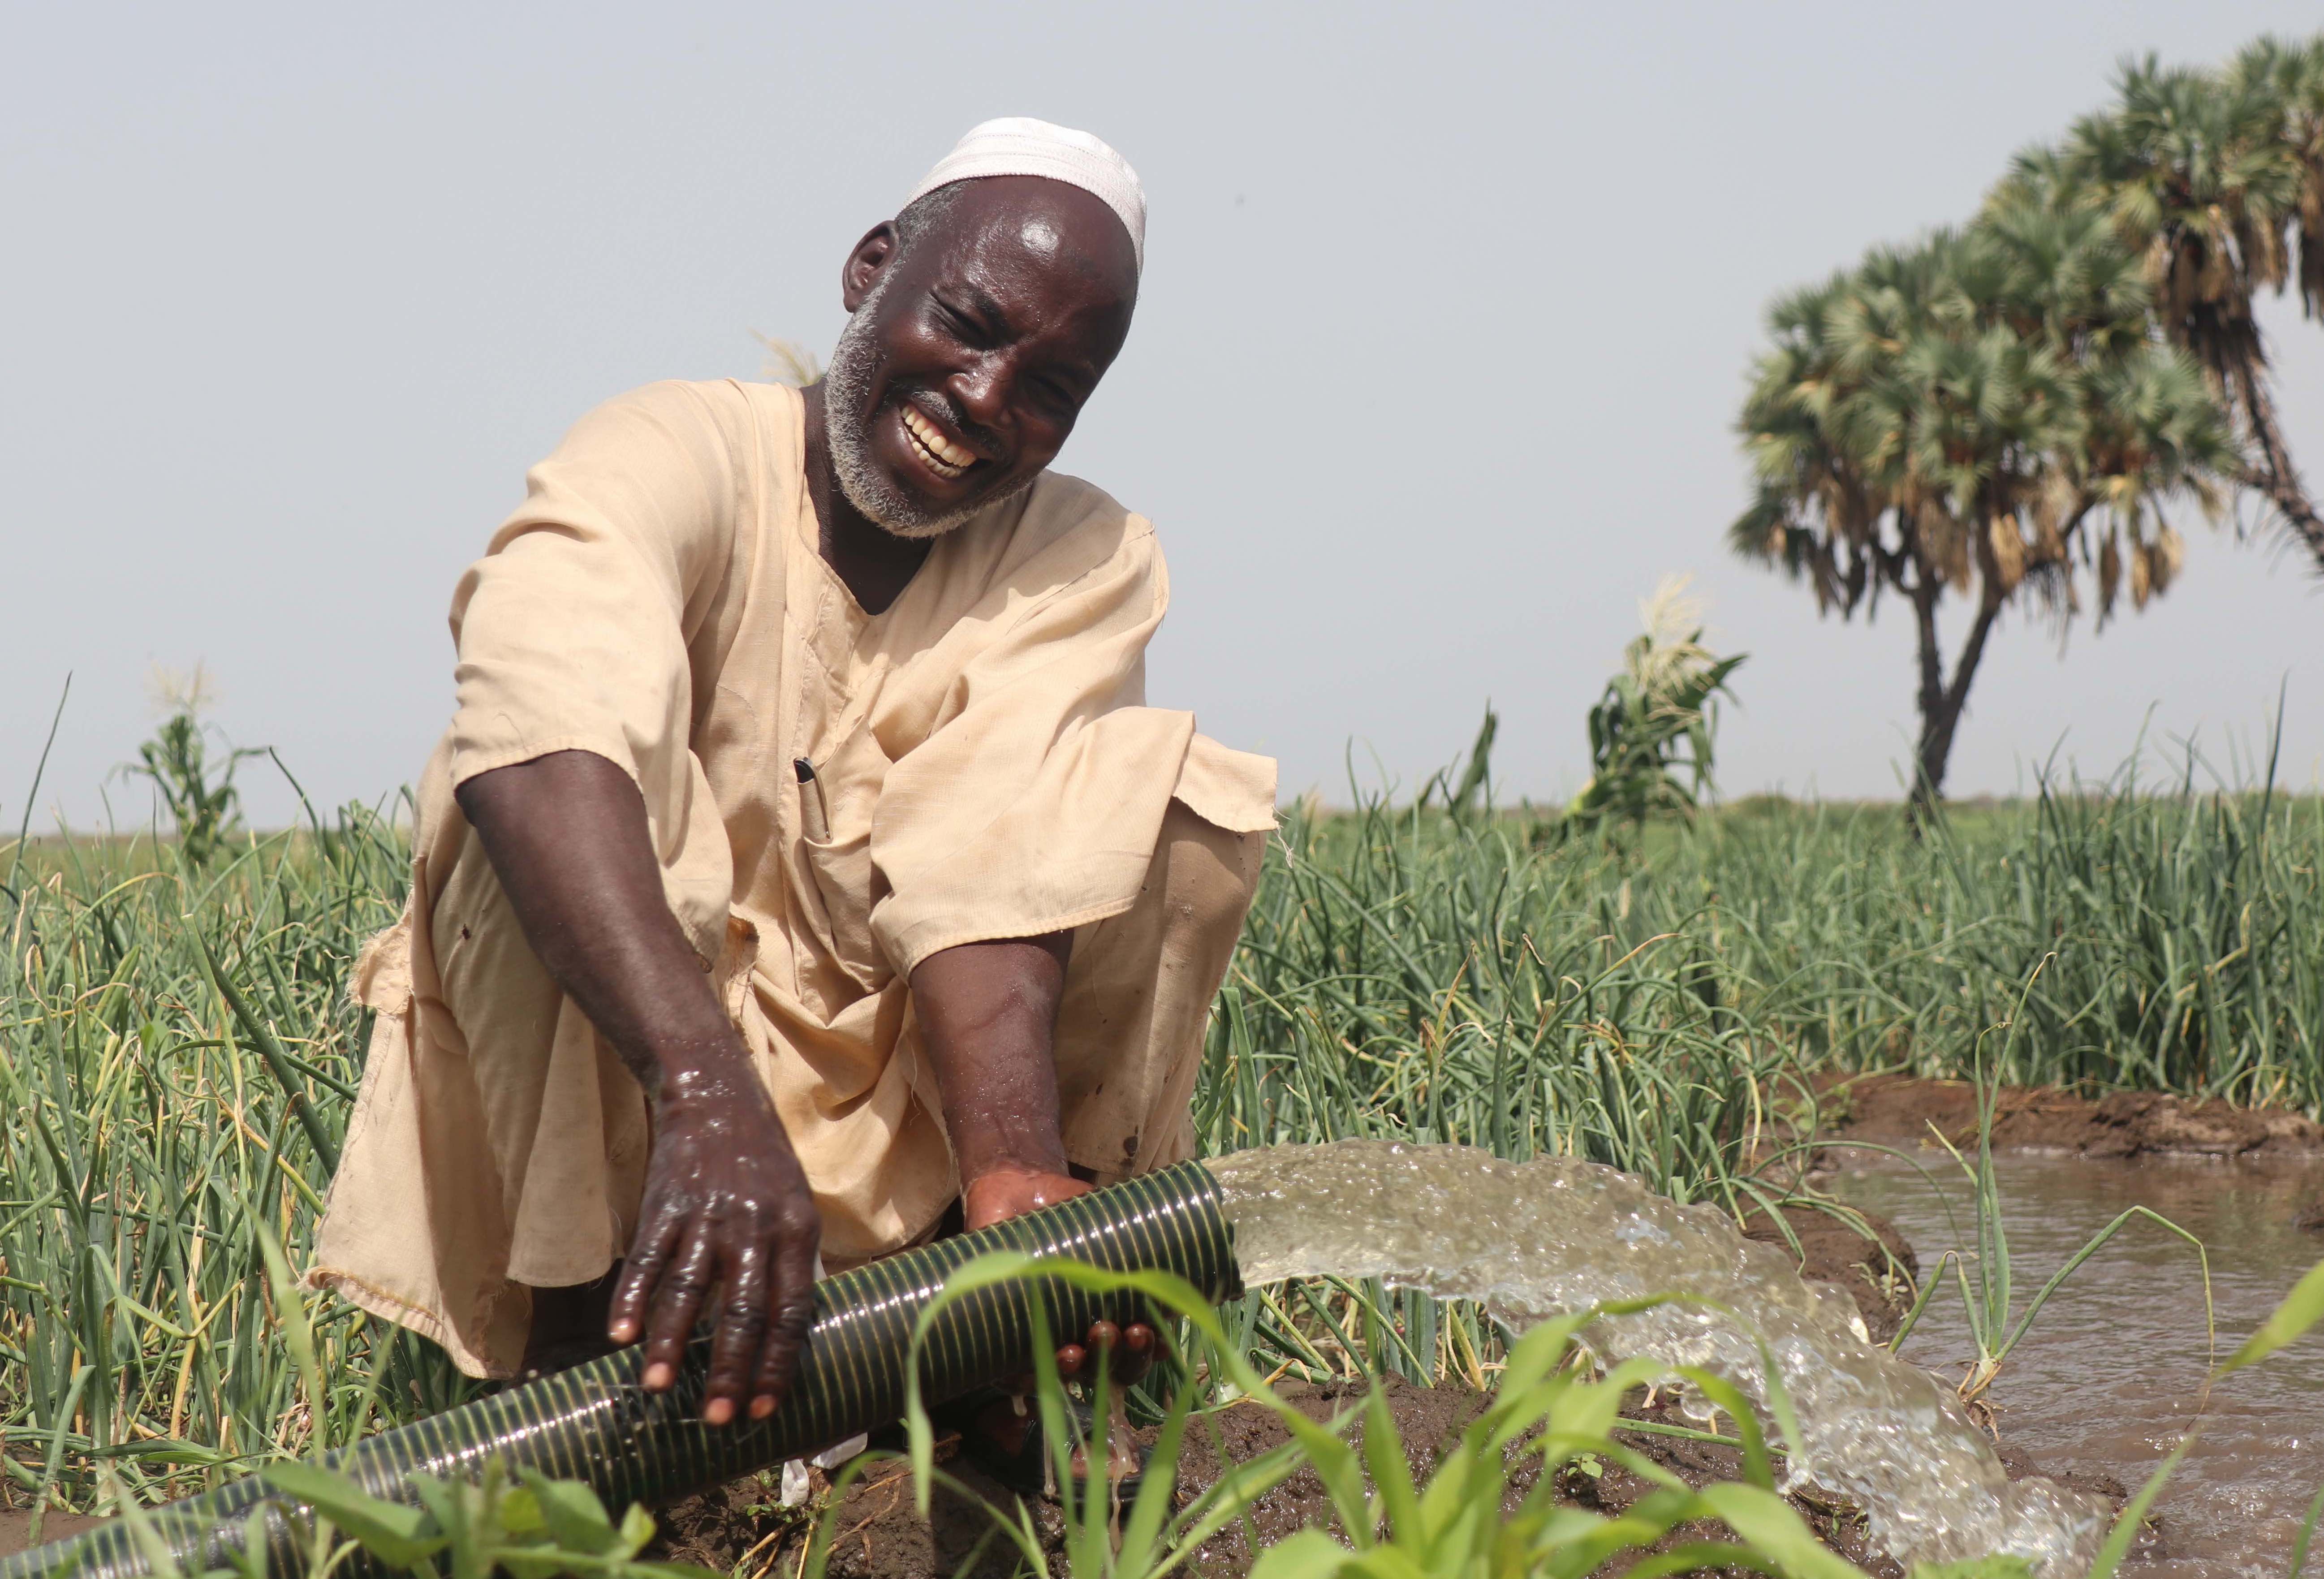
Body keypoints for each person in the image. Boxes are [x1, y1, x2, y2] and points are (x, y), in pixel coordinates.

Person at [307, 119, 1276, 1475]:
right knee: (519, 796)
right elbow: (537, 708)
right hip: (659, 1110)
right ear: (869, 267)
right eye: (967, 323)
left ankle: (983, 1342)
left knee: (1161, 809)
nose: (990, 399)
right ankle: (602, 1393)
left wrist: (1013, 1178)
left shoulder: (1078, 549)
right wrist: (704, 1087)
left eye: (1053, 384)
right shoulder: (678, 452)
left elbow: (993, 849)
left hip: (898, 1143)